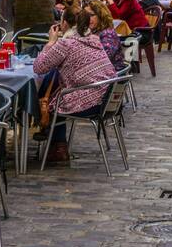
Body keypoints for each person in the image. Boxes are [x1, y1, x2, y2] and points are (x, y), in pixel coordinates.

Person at [32, 10, 119, 163]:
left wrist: (51, 42)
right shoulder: (93, 39)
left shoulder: (66, 43)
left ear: (64, 23)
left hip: (92, 102)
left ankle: (58, 147)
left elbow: (39, 67)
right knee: (56, 90)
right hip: (108, 99)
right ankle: (56, 144)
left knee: (55, 101)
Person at [84, 1, 127, 71]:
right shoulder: (92, 30)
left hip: (111, 73)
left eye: (91, 15)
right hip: (98, 70)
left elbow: (104, 58)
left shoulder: (108, 34)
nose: (87, 18)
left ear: (101, 15)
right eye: (85, 16)